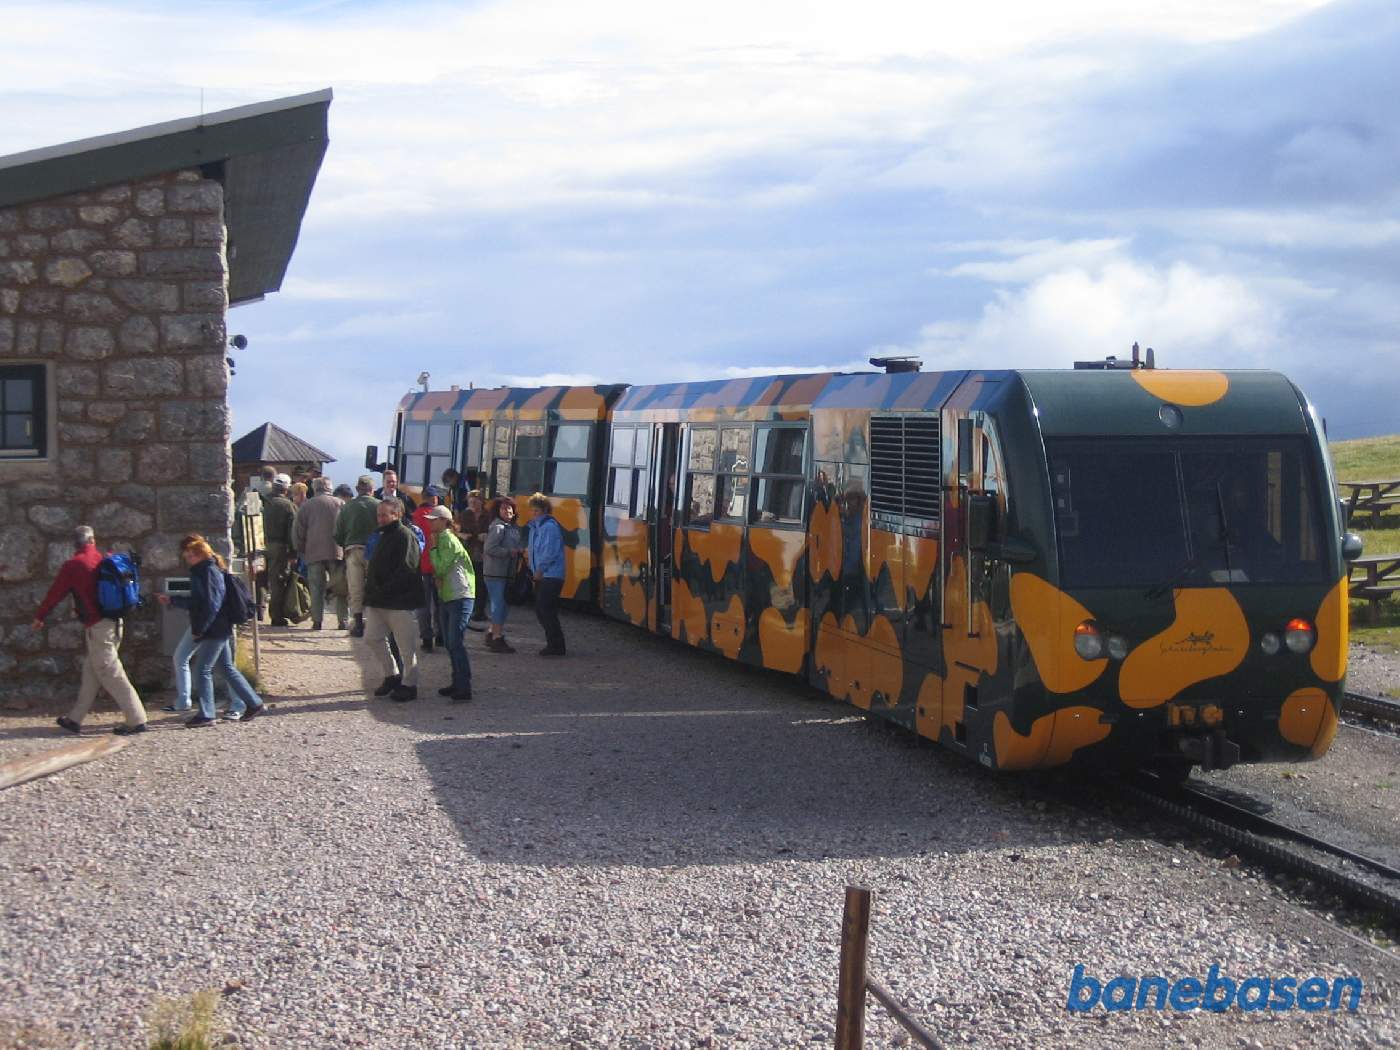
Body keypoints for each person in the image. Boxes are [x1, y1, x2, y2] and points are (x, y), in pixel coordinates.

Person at [32, 526, 148, 736]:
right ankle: (74, 719)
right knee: (92, 672)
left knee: (110, 672)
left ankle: (136, 719)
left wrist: (40, 616)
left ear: (74, 544)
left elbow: (55, 594)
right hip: (115, 622)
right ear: (92, 541)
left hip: (98, 627)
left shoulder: (73, 565)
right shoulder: (104, 559)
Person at [156, 535, 266, 727]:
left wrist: (200, 629)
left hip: (214, 627)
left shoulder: (206, 572)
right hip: (219, 626)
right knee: (226, 668)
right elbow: (204, 602)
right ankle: (253, 702)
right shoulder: (210, 569)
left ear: (200, 555)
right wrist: (174, 601)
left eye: (191, 555)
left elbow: (210, 605)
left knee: (203, 670)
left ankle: (207, 713)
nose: (187, 559)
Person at [363, 498, 425, 701]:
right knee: (372, 637)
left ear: (396, 514)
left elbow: (407, 569)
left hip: (398, 601)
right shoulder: (383, 534)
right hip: (379, 600)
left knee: (406, 647)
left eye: (384, 514)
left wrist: (384, 589)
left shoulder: (405, 536)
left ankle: (409, 684)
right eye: (378, 514)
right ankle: (391, 674)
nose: (379, 518)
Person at [425, 505, 476, 701]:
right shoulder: (444, 538)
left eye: (433, 519)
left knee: (454, 642)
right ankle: (459, 682)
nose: (430, 522)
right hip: (452, 595)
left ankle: (463, 685)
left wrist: (434, 548)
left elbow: (440, 565)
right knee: (451, 642)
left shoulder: (445, 538)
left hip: (458, 595)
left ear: (444, 521)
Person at [295, 476, 348, 631]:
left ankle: (317, 621)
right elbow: (346, 527)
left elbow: (299, 531)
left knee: (316, 588)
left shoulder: (306, 506)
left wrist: (300, 549)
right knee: (340, 588)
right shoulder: (340, 504)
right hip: (336, 551)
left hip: (313, 551)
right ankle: (342, 620)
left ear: (315, 488)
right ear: (330, 488)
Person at [334, 475, 381, 637]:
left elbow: (338, 533)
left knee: (355, 588)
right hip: (375, 552)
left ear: (357, 490)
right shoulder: (379, 505)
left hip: (353, 550)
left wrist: (345, 544)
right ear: (372, 490)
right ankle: (376, 623)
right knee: (375, 586)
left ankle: (358, 623)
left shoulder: (347, 507)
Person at [525, 492, 567, 656]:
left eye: (537, 510)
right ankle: (554, 644)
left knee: (545, 609)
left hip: (551, 574)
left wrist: (540, 569)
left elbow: (549, 552)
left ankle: (556, 645)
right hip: (543, 573)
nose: (534, 513)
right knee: (543, 609)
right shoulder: (536, 528)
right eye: (533, 510)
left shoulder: (549, 527)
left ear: (544, 510)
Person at [482, 497, 523, 653]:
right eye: (504, 508)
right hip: (495, 573)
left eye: (510, 508)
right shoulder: (498, 528)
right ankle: (497, 637)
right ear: (498, 511)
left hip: (506, 574)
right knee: (499, 606)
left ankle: (492, 633)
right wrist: (509, 552)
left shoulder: (511, 528)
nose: (508, 511)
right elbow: (490, 548)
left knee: (503, 606)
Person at [411, 487, 446, 651]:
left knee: (423, 604)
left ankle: (426, 638)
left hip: (421, 566)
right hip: (438, 566)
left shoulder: (415, 517)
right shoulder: (440, 518)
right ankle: (441, 636)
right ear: (435, 499)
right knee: (440, 603)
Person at [262, 472, 298, 627]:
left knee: (259, 580)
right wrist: (293, 552)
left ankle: (257, 612)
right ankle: (276, 616)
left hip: (259, 545)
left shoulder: (261, 501)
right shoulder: (288, 506)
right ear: (286, 489)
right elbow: (292, 532)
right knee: (277, 581)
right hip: (279, 547)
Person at [456, 489, 491, 626]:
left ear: (482, 502)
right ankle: (469, 609)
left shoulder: (488, 515)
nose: (474, 504)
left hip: (483, 552)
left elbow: (492, 530)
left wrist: (487, 536)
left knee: (482, 583)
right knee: (469, 581)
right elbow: (456, 529)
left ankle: (480, 610)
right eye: (471, 502)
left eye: (476, 502)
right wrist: (461, 535)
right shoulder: (465, 515)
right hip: (469, 551)